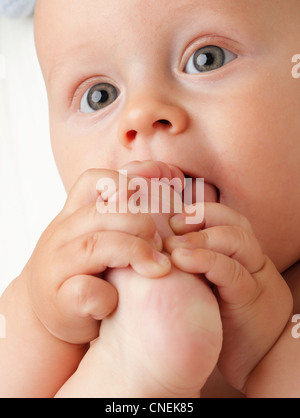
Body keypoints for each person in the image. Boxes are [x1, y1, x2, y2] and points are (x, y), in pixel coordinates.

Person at [0, 0, 299, 398]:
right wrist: (40, 324)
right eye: (99, 96)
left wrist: (263, 357)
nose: (141, 114)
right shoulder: (63, 291)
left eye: (207, 59)